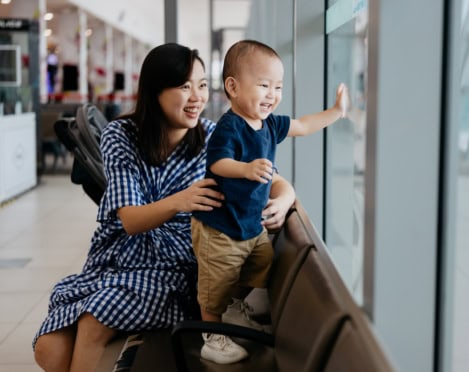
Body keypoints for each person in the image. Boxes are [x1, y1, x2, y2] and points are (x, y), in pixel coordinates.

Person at [32, 42, 295, 372]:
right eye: (185, 86)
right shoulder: (121, 135)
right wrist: (181, 200)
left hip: (178, 262)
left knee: (93, 320)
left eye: (201, 84)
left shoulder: (216, 137)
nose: (197, 97)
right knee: (48, 349)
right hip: (122, 253)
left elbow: (275, 181)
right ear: (155, 90)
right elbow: (129, 220)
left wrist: (285, 199)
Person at [191, 39, 350, 364]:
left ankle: (235, 310)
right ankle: (212, 334)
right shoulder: (229, 126)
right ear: (233, 87)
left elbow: (304, 125)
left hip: (249, 225)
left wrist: (335, 113)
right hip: (219, 229)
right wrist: (246, 169)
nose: (272, 95)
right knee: (216, 283)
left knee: (257, 266)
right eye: (264, 85)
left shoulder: (271, 124)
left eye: (277, 87)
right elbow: (218, 164)